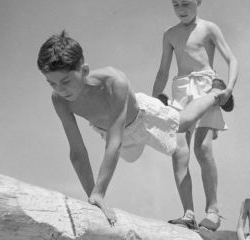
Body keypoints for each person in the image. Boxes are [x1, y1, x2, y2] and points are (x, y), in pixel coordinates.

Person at [37, 31, 228, 225]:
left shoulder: (114, 81)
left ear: (84, 70)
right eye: (51, 83)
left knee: (184, 122)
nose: (60, 89)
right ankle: (167, 103)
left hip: (143, 119)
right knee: (131, 158)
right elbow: (77, 152)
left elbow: (114, 141)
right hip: (117, 137)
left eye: (66, 81)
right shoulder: (59, 100)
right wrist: (93, 199)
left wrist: (99, 192)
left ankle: (215, 92)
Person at [152, 0, 238, 231]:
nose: (181, 9)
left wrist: (229, 88)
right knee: (178, 152)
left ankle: (212, 210)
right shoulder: (169, 35)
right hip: (180, 90)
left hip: (205, 87)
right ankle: (188, 212)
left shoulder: (209, 28)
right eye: (175, 4)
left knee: (202, 149)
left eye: (186, 3)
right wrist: (155, 100)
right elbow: (162, 72)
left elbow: (231, 59)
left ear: (198, 0)